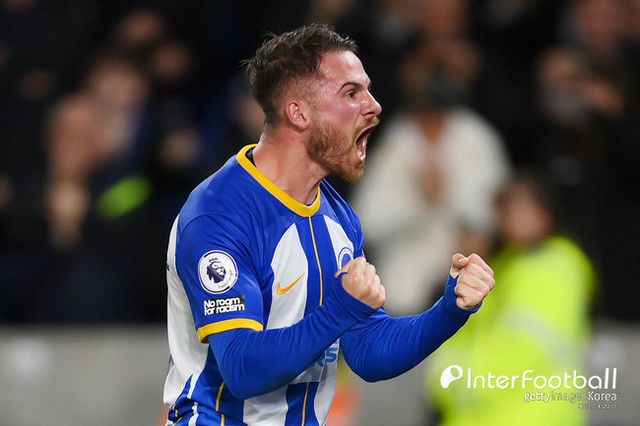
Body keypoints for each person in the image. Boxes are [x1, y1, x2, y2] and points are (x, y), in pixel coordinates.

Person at [163, 24, 495, 426]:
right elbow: (242, 369)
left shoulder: (337, 216)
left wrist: (449, 310)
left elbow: (367, 350)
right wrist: (340, 309)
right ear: (298, 113)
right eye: (351, 93)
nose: (374, 106)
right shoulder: (219, 215)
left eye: (368, 91)